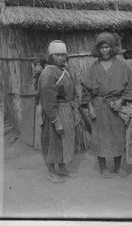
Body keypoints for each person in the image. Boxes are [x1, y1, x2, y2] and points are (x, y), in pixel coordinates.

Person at [81, 32, 132, 179]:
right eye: (101, 48)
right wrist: (90, 106)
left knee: (117, 136)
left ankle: (118, 167)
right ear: (98, 49)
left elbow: (130, 87)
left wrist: (121, 100)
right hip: (99, 106)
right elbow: (86, 90)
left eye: (107, 47)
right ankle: (103, 167)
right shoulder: (93, 67)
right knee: (100, 137)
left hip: (116, 107)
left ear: (112, 48)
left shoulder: (123, 66)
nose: (104, 50)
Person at [38, 40, 78, 183]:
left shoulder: (63, 69)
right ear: (50, 56)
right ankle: (51, 172)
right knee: (53, 143)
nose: (60, 57)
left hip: (66, 110)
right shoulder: (47, 73)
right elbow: (48, 101)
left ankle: (62, 168)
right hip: (54, 113)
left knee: (63, 143)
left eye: (63, 55)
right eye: (57, 55)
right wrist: (56, 120)